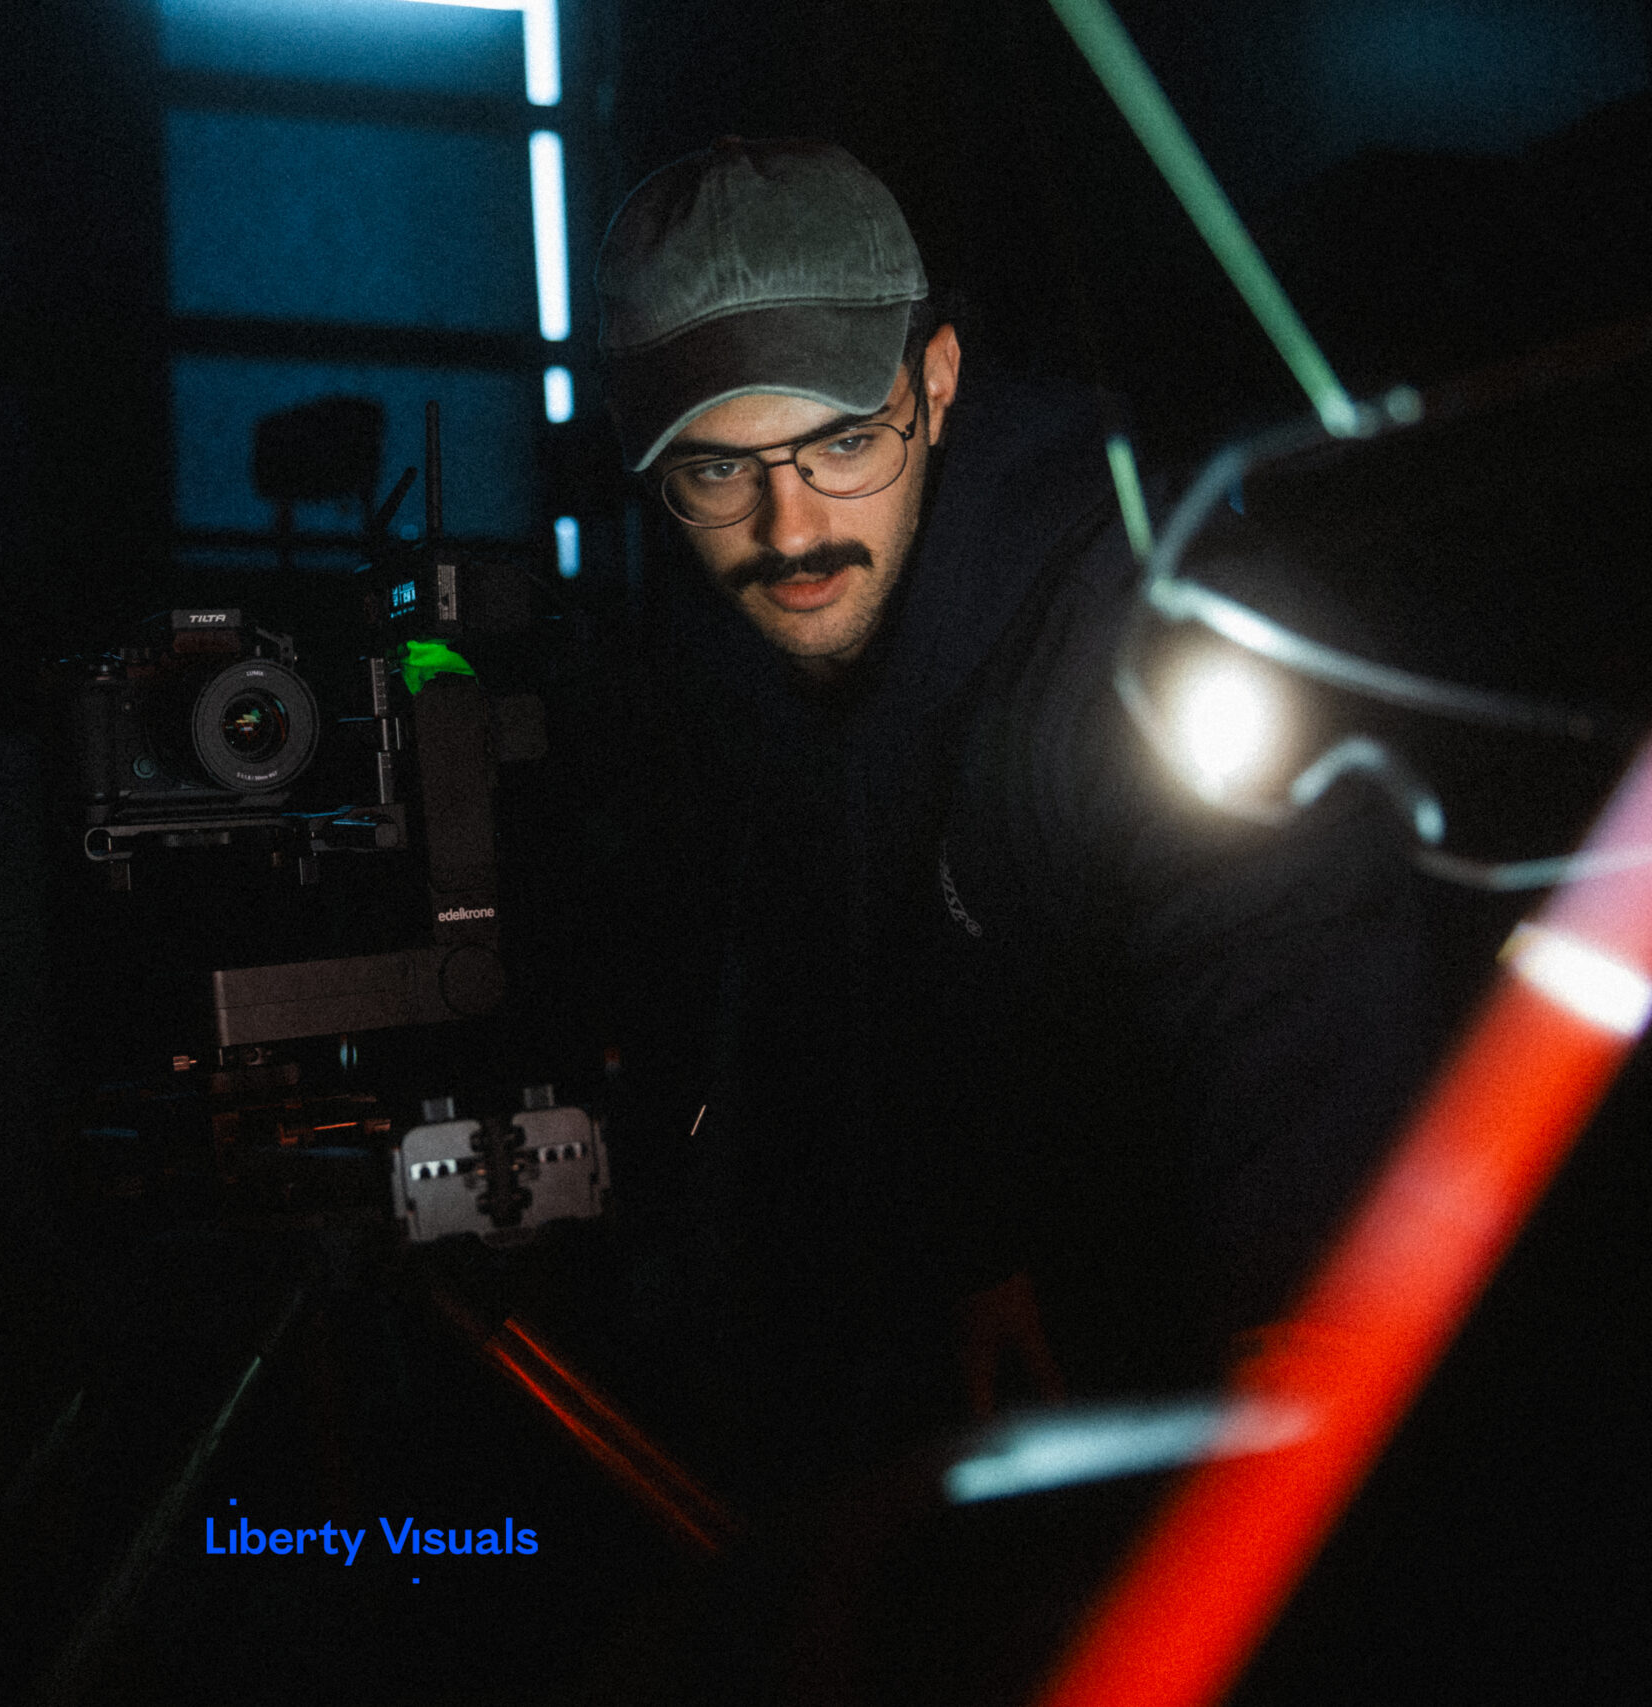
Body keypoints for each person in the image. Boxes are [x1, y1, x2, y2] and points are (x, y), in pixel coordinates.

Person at [592, 140, 1432, 1477]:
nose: (790, 528)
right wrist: (981, 1240)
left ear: (936, 382)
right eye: (716, 470)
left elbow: (1297, 963)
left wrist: (1307, 1366)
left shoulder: (1139, 631)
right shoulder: (725, 661)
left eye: (844, 441)